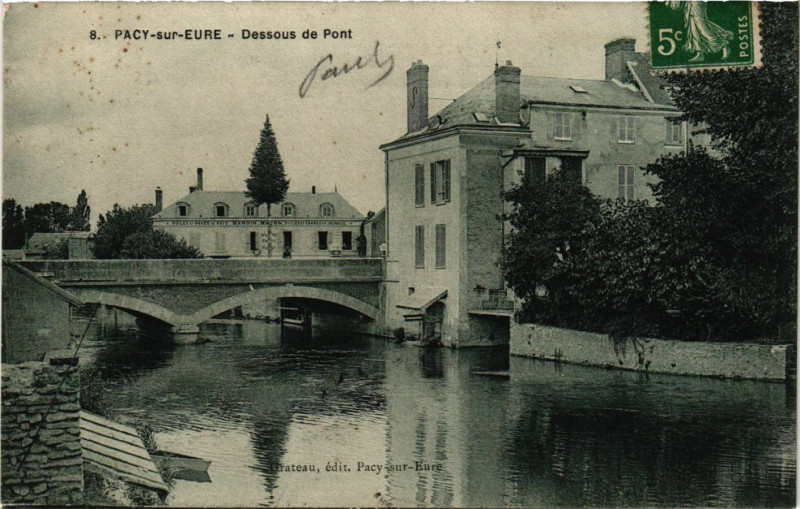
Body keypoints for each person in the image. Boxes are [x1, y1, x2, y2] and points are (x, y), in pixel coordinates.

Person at [667, 0, 733, 62]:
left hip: (697, 3)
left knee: (702, 26)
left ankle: (724, 45)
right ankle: (699, 53)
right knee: (693, 28)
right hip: (690, 3)